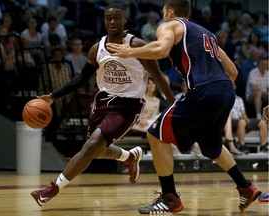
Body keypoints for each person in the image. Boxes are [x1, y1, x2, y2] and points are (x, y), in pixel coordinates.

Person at [107, 0, 262, 213]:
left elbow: (161, 49)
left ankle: (170, 198)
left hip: (204, 90)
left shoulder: (170, 25)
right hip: (226, 91)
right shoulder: (208, 33)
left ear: (170, 12)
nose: (162, 16)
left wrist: (130, 52)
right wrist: (215, 89)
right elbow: (233, 72)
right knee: (211, 145)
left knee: (155, 134)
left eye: (163, 12)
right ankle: (246, 187)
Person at [30, 3, 174, 207]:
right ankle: (129, 156)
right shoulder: (97, 48)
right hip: (102, 102)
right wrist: (53, 96)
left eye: (117, 18)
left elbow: (158, 77)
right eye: (109, 18)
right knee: (96, 150)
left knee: (90, 146)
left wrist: (173, 103)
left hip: (127, 106)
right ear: (104, 21)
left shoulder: (137, 45)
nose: (113, 21)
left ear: (125, 20)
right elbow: (81, 78)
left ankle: (51, 189)